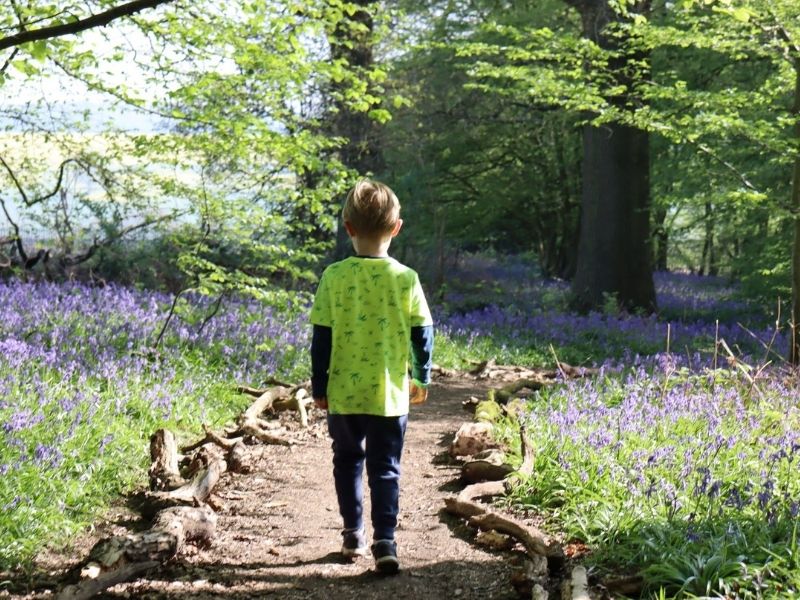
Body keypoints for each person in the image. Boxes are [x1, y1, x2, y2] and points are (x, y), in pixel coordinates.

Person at [310, 179, 434, 575]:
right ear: (396, 227)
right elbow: (422, 335)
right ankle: (385, 542)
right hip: (390, 395)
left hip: (344, 392)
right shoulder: (406, 279)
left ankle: (353, 535)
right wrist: (421, 378)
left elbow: (321, 339)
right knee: (386, 466)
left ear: (348, 227)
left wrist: (319, 387)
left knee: (346, 460)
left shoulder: (333, 277)